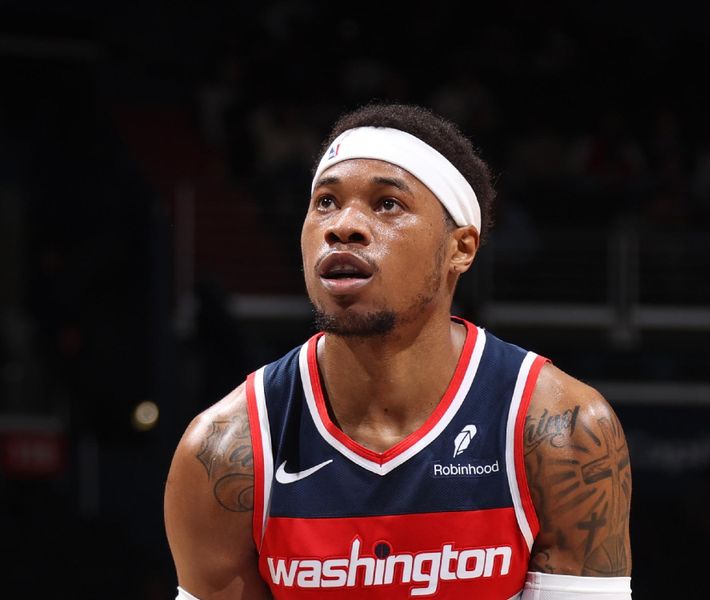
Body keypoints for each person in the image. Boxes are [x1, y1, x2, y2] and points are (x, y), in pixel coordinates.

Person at [164, 103, 633, 599]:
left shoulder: (565, 430)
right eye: (325, 202)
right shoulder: (225, 453)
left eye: (387, 204)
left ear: (461, 249)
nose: (343, 225)